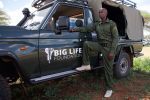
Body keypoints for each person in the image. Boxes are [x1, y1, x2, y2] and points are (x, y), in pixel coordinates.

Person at [72, 8, 119, 98]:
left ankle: (109, 89)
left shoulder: (111, 24)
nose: (100, 13)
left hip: (108, 48)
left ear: (106, 13)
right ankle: (86, 65)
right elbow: (87, 28)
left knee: (108, 70)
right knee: (86, 44)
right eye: (99, 12)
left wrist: (112, 51)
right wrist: (75, 29)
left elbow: (116, 38)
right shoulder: (97, 24)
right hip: (99, 45)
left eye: (102, 12)